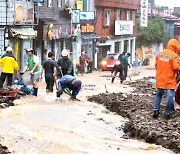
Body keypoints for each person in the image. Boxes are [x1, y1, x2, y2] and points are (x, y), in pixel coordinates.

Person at [153, 38, 180, 119]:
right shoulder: (174, 55)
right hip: (169, 80)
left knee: (158, 95)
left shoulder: (160, 53)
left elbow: (156, 66)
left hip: (160, 79)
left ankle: (156, 110)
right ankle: (168, 113)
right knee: (170, 97)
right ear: (175, 47)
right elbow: (176, 67)